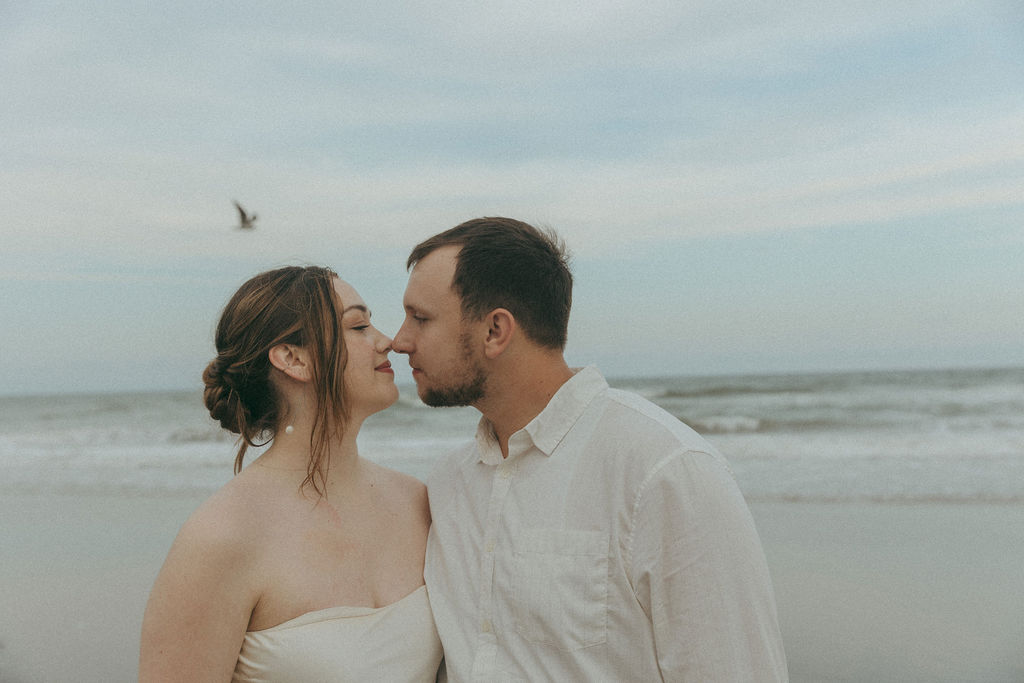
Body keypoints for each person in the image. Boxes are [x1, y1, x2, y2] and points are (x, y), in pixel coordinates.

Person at [392, 217, 788, 681]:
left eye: (420, 318)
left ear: (496, 330)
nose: (399, 340)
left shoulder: (665, 472)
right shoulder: (448, 484)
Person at [139, 266, 442, 682]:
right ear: (293, 359)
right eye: (358, 326)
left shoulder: (417, 503)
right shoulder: (221, 538)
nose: (386, 340)